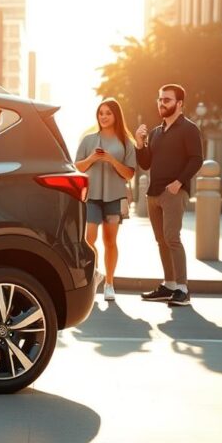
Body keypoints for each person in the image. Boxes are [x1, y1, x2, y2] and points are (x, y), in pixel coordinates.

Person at [134, 84, 204, 306]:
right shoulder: (156, 132)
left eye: (167, 100)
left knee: (172, 238)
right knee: (161, 241)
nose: (161, 103)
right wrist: (139, 143)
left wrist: (179, 182)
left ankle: (183, 289)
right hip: (154, 192)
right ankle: (169, 285)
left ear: (179, 103)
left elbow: (196, 159)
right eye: (160, 99)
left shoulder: (189, 129)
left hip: (173, 192)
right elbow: (145, 163)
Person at [75, 99, 137, 301]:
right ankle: (96, 274)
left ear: (116, 116)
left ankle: (109, 283)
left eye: (108, 113)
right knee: (89, 239)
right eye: (101, 113)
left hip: (114, 197)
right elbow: (79, 167)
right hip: (91, 197)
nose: (103, 116)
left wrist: (111, 160)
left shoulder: (126, 143)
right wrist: (92, 159)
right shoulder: (88, 140)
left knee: (110, 241)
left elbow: (129, 174)